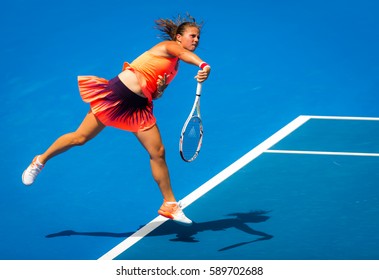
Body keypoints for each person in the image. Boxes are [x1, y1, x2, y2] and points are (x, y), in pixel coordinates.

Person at [21, 14, 211, 225]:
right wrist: (203, 66)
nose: (196, 40)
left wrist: (158, 90)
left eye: (198, 38)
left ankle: (169, 204)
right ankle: (40, 160)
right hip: (116, 96)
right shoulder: (168, 47)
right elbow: (184, 54)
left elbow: (155, 93)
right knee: (80, 138)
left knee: (158, 152)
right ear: (178, 37)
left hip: (138, 107)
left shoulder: (174, 68)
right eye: (192, 36)